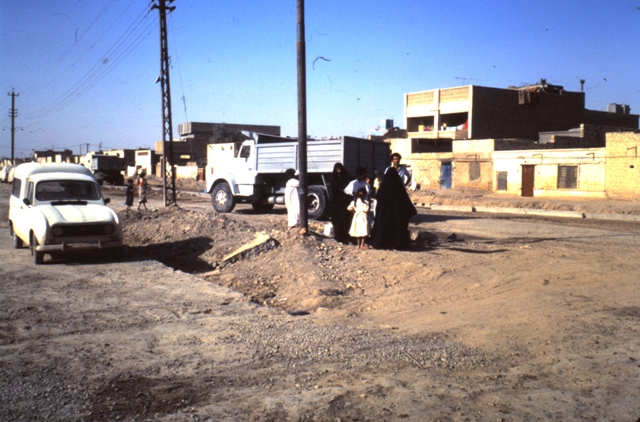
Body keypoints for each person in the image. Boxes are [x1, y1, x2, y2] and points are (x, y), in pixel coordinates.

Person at [370, 167, 417, 250]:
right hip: (396, 215)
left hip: (385, 214)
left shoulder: (384, 187)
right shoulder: (398, 187)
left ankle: (383, 243)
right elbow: (405, 202)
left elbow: (379, 199)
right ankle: (396, 243)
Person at [332, 167, 370, 245]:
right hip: (354, 202)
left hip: (363, 203)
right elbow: (347, 190)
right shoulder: (353, 183)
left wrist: (367, 184)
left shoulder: (364, 183)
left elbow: (368, 191)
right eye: (363, 174)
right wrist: (355, 193)